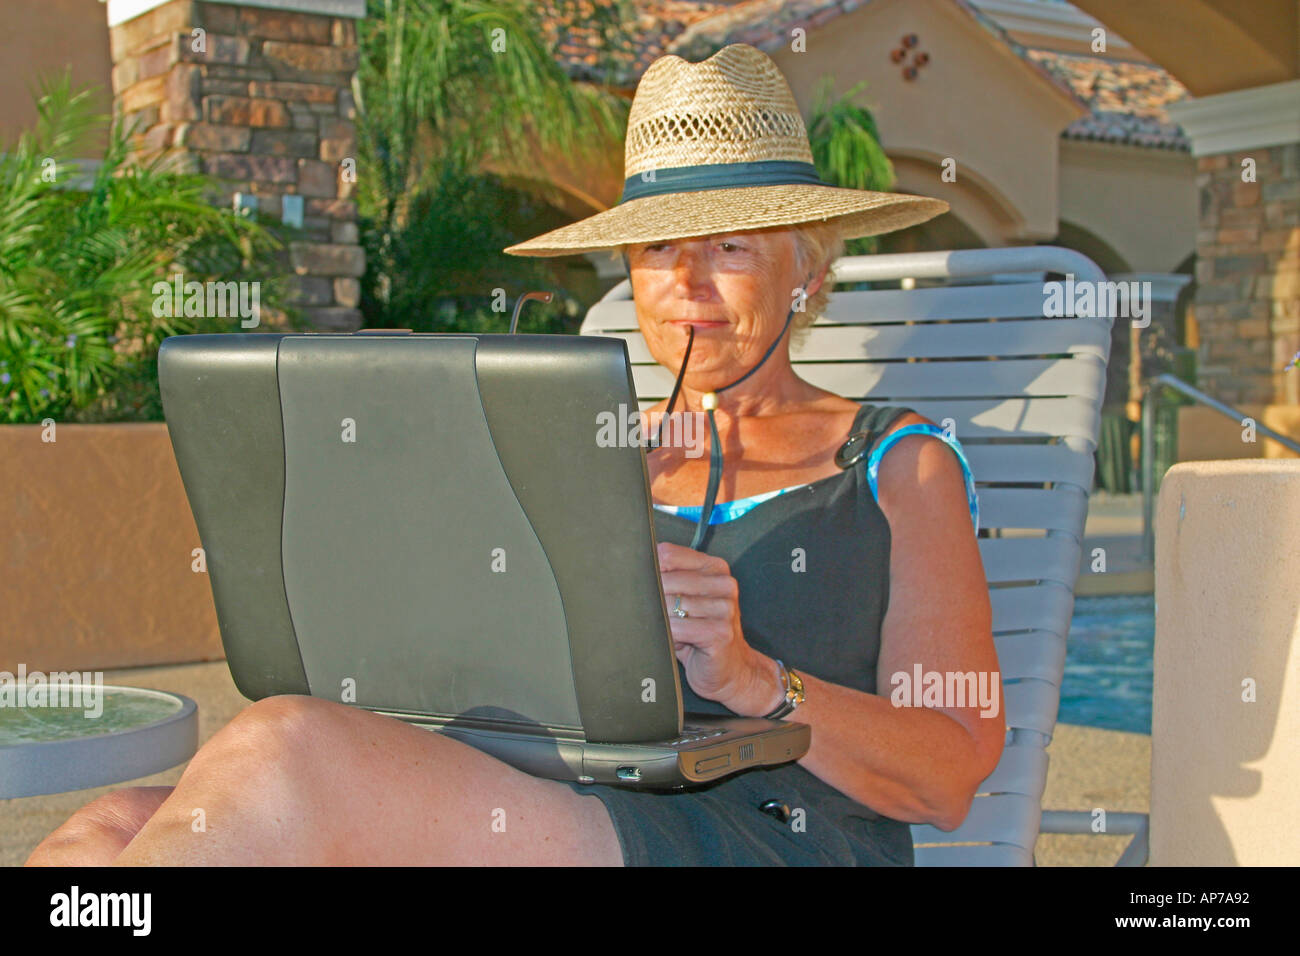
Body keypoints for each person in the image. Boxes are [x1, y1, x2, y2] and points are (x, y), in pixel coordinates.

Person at [27, 43, 1001, 867]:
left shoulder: (897, 463)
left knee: (289, 752)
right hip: (542, 791)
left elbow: (950, 770)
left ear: (808, 264)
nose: (687, 283)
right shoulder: (581, 442)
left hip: (763, 835)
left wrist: (754, 679)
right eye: (659, 251)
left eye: (731, 247)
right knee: (107, 828)